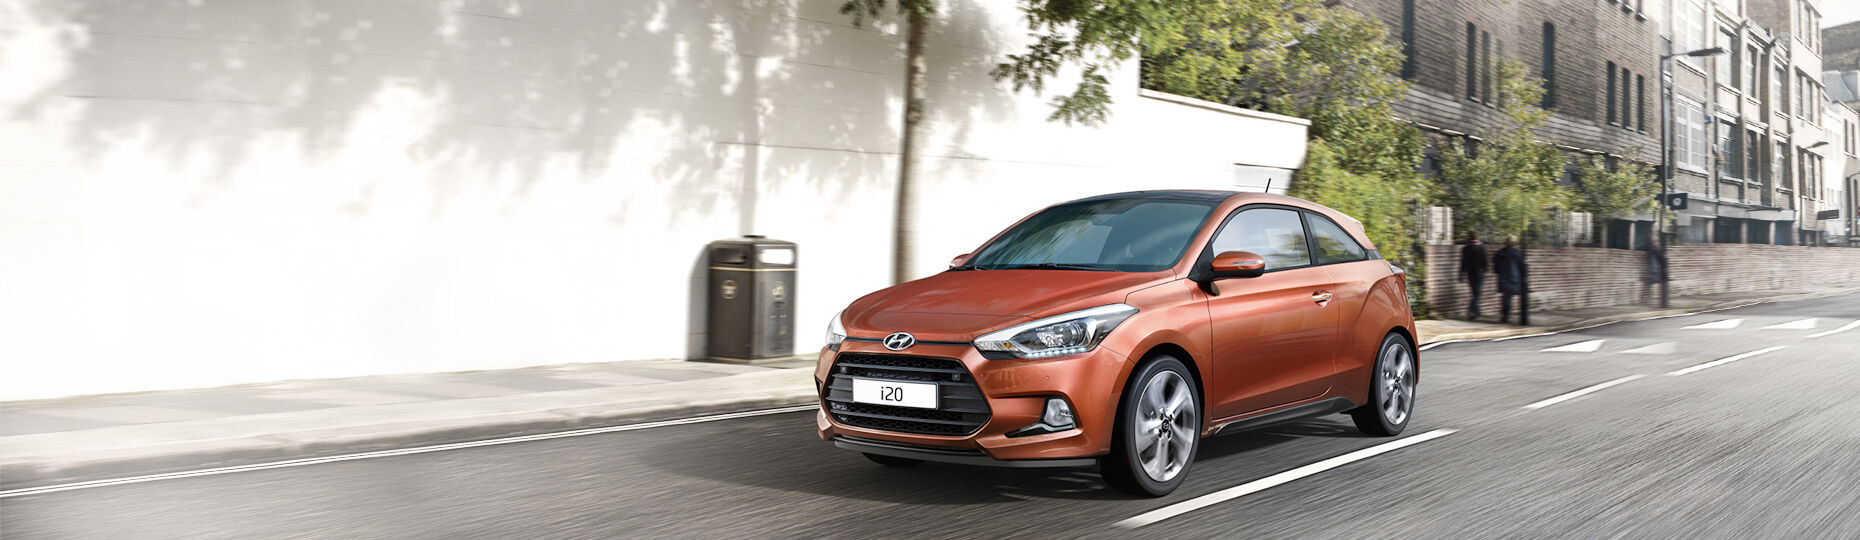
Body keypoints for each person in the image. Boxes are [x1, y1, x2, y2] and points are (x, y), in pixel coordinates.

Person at [1494, 236, 1525, 324]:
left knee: (1506, 297)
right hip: (1513, 278)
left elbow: (1496, 268)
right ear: (1514, 243)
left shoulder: (1499, 253)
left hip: (1503, 278)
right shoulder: (1517, 253)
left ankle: (1505, 315)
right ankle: (1506, 316)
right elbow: (1522, 267)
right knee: (1509, 297)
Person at [1457, 232, 1488, 320]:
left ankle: (1474, 311)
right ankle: (1474, 311)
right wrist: (1485, 270)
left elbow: (1463, 262)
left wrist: (1460, 274)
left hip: (1470, 273)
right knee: (1477, 292)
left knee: (1475, 292)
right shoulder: (1482, 247)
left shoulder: (1466, 248)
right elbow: (1485, 261)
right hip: (1480, 273)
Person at [1638, 239, 1667, 305]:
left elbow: (1639, 249)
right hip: (1658, 271)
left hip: (1654, 270)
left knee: (1648, 285)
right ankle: (1647, 300)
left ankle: (1645, 301)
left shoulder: (1651, 249)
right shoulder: (1657, 249)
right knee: (1650, 285)